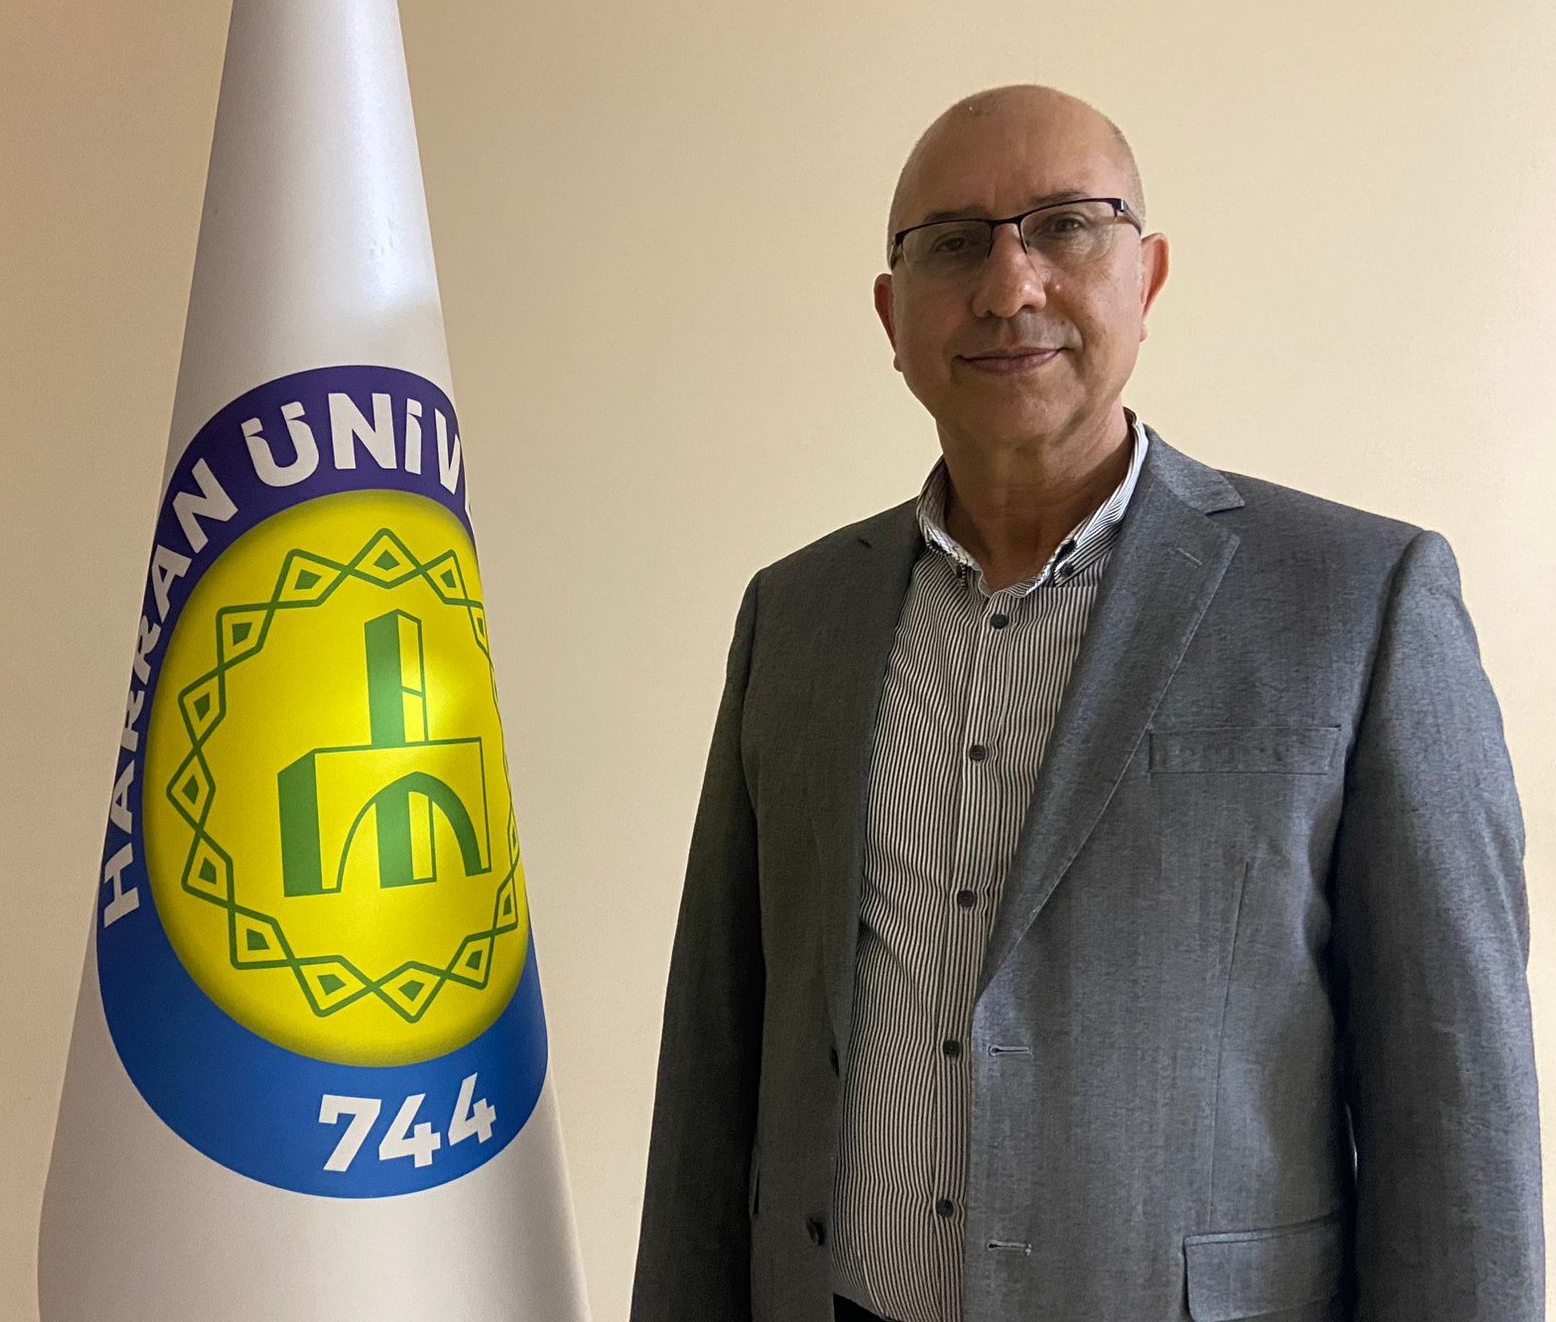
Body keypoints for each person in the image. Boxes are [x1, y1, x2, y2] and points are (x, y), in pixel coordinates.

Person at [630, 84, 1542, 1322]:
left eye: (1066, 225)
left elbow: (1456, 1095)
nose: (1009, 285)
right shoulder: (794, 615)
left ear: (1147, 276)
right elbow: (715, 1051)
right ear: (892, 316)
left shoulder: (1360, 600)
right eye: (954, 243)